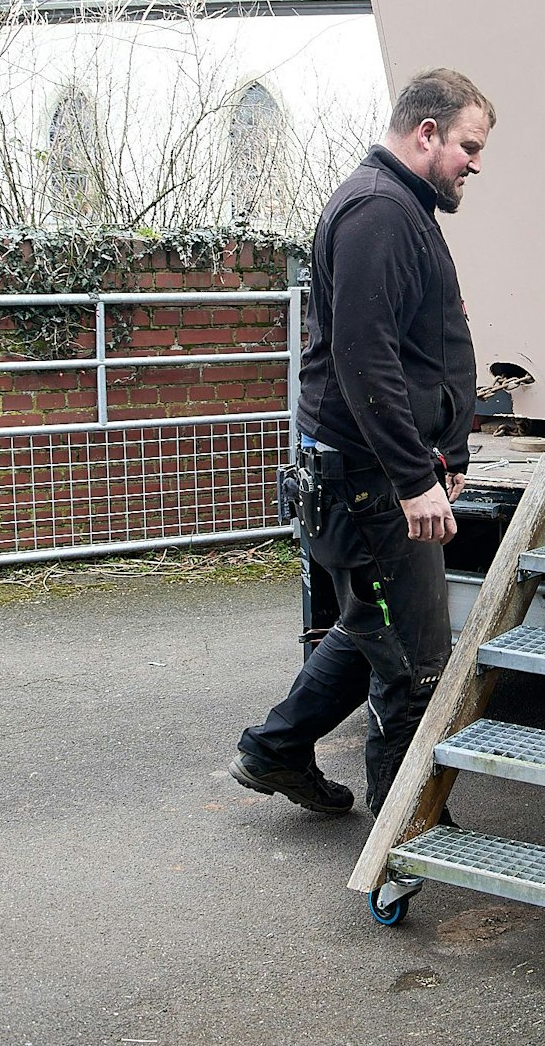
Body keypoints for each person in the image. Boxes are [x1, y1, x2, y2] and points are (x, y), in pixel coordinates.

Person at [231, 68, 494, 818]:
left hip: (378, 473)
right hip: (371, 483)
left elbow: (420, 349)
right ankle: (401, 835)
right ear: (426, 133)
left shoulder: (403, 206)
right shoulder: (377, 212)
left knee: (373, 628)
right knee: (413, 665)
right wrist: (416, 480)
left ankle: (274, 749)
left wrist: (452, 457)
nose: (475, 162)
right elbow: (365, 360)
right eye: (468, 146)